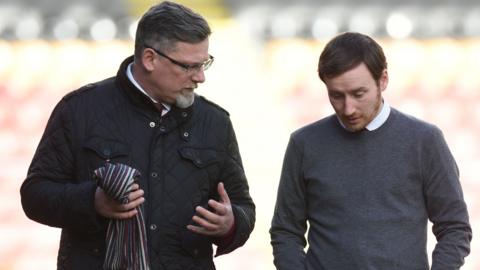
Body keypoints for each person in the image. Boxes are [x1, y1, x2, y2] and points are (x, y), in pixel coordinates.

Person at [20, 1, 255, 269]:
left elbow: (243, 207)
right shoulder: (79, 110)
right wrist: (92, 202)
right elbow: (35, 195)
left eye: (205, 64)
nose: (200, 77)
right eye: (189, 66)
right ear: (150, 59)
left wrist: (231, 223)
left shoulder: (215, 122)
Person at [270, 32, 471, 269]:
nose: (348, 108)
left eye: (358, 94)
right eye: (336, 95)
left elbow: (455, 228)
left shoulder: (424, 141)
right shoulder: (304, 143)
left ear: (383, 80)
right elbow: (285, 231)